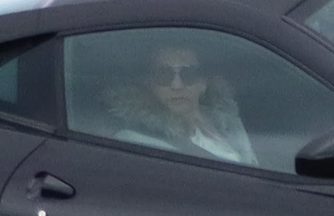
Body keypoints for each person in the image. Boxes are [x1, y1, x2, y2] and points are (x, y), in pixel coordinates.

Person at [107, 42, 258, 167]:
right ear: (150, 84)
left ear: (203, 83)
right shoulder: (136, 141)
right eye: (164, 74)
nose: (177, 85)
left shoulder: (230, 123)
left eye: (188, 74)